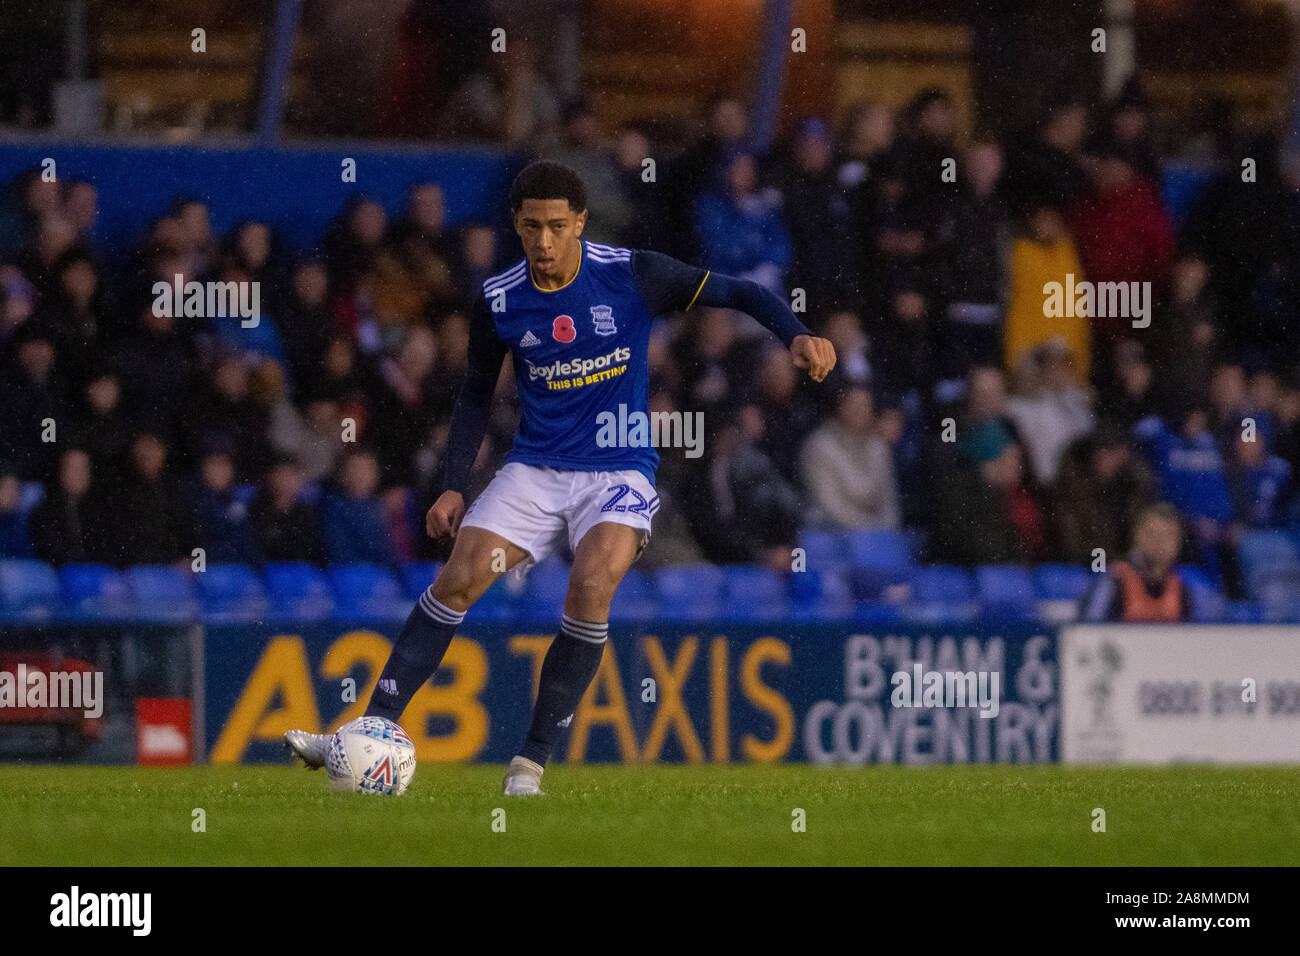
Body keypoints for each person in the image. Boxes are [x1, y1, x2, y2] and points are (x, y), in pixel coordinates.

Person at [285, 160, 836, 794]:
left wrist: (797, 335)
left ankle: (529, 762)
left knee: (593, 580)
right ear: (515, 227)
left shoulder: (632, 273)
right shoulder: (499, 298)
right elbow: (472, 396)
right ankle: (364, 733)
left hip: (619, 469)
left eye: (555, 226)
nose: (543, 242)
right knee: (459, 578)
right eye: (529, 228)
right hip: (535, 469)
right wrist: (454, 483)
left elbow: (742, 292)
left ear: (578, 221)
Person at [1080, 502, 1193, 622]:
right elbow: (1089, 629)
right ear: (1135, 535)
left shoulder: (1191, 584)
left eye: (1168, 535)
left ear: (1179, 541)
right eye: (1151, 533)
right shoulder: (1114, 579)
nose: (1159, 541)